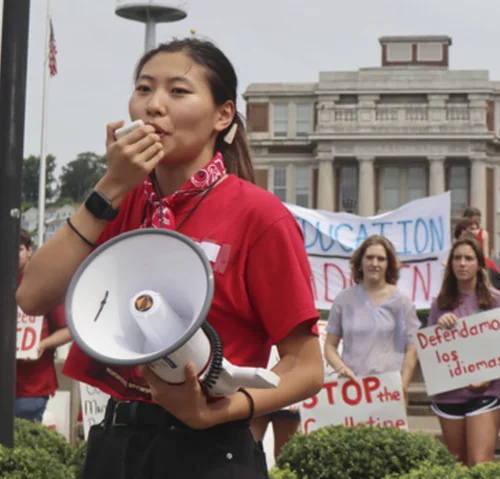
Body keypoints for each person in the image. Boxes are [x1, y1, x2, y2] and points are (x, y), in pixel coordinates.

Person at [16, 38, 323, 479]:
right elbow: (32, 295)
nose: (154, 105)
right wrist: (109, 189)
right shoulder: (117, 201)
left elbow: (306, 367)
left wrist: (217, 412)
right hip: (116, 443)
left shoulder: (259, 216)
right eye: (143, 89)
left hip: (212, 450)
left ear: (223, 115)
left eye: (178, 92)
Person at [427, 235, 500, 466]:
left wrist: (489, 376)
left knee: (480, 463)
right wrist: (440, 327)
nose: (462, 263)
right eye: (457, 258)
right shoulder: (440, 303)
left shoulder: (496, 300)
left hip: (486, 394)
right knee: (458, 465)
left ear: (479, 264)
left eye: (469, 258)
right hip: (449, 394)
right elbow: (431, 350)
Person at [324, 235, 420, 404]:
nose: (374, 263)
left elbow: (412, 349)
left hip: (389, 390)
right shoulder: (343, 300)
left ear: (388, 264)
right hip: (352, 389)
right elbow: (330, 345)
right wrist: (341, 368)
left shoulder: (402, 301)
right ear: (360, 262)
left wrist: (403, 385)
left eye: (381, 259)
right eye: (369, 257)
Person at [15, 229, 72, 422]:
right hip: (8, 385)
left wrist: (43, 344)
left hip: (32, 387)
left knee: (23, 445)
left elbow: (69, 329)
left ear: (30, 250)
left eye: (19, 249)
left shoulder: (44, 284)